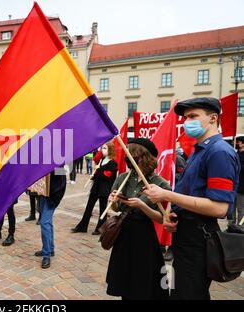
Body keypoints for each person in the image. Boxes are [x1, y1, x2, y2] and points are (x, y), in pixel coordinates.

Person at [144, 98, 240, 300]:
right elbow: (190, 192)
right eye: (186, 117)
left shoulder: (219, 152)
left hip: (198, 237)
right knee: (182, 292)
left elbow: (219, 208)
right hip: (186, 233)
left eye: (193, 116)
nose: (187, 121)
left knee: (188, 294)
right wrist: (172, 213)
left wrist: (167, 195)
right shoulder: (200, 150)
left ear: (213, 118)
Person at [106, 138, 171, 300]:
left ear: (144, 157)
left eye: (133, 155)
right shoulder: (123, 178)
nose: (129, 159)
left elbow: (162, 219)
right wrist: (113, 202)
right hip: (124, 233)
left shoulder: (160, 184)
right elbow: (114, 209)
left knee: (142, 280)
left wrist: (142, 206)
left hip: (144, 236)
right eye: (128, 155)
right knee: (124, 279)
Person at [72, 141, 117, 235]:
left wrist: (98, 170)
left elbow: (106, 176)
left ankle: (100, 228)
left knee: (102, 209)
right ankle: (82, 226)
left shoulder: (113, 163)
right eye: (102, 148)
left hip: (104, 189)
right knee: (88, 207)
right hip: (96, 187)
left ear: (110, 150)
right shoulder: (102, 159)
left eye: (105, 148)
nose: (102, 150)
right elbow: (99, 174)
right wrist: (94, 175)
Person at [34, 169, 67, 269]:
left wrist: (54, 197)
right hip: (43, 194)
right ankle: (50, 249)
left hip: (52, 196)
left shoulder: (59, 162)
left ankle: (46, 255)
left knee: (44, 223)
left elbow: (62, 183)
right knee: (48, 223)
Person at [231, 136, 244, 228]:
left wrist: (237, 166)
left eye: (238, 142)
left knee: (241, 208)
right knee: (231, 207)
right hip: (233, 185)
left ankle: (240, 226)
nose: (237, 143)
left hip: (242, 187)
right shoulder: (235, 154)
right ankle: (232, 225)